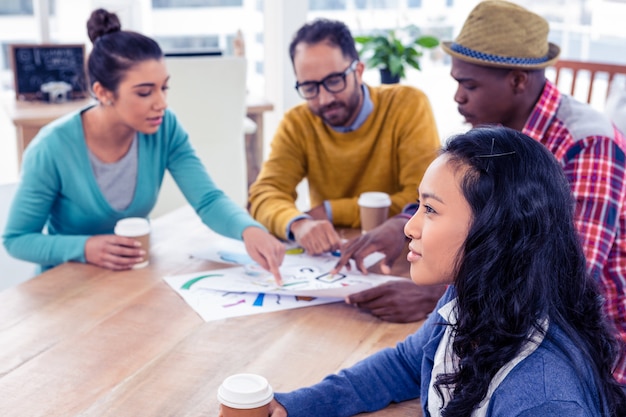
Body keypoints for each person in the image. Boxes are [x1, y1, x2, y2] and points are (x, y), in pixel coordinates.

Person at [335, 0, 626, 384]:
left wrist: (441, 296)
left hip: (588, 346)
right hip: (501, 321)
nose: (458, 97)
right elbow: (455, 192)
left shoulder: (588, 143)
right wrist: (404, 221)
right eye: (456, 82)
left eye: (468, 85)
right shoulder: (492, 128)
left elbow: (567, 277)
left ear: (518, 81)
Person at [266, 126, 626, 417]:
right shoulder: (473, 298)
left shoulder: (542, 399)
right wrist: (294, 405)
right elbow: (404, 364)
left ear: (494, 230)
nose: (410, 227)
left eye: (431, 210)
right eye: (418, 205)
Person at [2, 8, 284, 283]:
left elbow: (207, 200)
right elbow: (16, 239)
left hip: (131, 280)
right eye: (145, 92)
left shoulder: (165, 127)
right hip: (66, 287)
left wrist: (249, 229)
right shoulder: (51, 149)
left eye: (164, 88)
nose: (161, 102)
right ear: (102, 92)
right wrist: (85, 247)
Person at [247, 18, 440, 256]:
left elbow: (420, 200)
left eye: (334, 81)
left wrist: (329, 211)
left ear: (358, 72)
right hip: (332, 257)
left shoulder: (407, 104)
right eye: (309, 88)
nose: (325, 99)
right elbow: (264, 193)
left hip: (401, 252)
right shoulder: (297, 123)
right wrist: (298, 223)